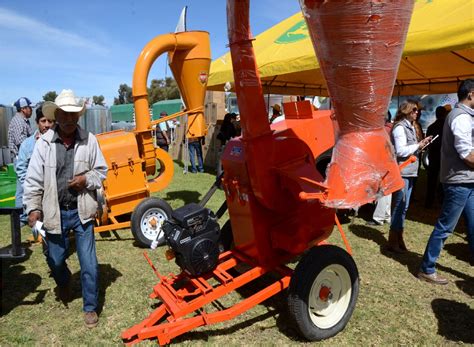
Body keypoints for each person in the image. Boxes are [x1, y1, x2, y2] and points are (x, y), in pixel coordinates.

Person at [23, 89, 108, 328]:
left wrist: (85, 181)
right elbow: (33, 180)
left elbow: (101, 172)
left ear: (78, 116)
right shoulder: (44, 144)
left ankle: (90, 307)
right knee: (56, 260)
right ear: (56, 115)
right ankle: (64, 282)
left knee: (89, 263)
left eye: (74, 115)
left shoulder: (89, 140)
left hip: (81, 211)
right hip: (54, 212)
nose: (70, 119)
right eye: (65, 114)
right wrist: (33, 208)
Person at [418, 79, 474, 285]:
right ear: (471, 94)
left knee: (473, 225)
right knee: (445, 227)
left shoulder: (466, 116)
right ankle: (427, 268)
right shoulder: (460, 117)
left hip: (467, 180)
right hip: (459, 181)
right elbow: (466, 154)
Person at [388, 100, 433, 253]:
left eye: (417, 111)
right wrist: (418, 146)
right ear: (406, 110)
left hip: (410, 171)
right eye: (414, 110)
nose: (417, 113)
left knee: (404, 207)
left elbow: (409, 148)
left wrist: (421, 144)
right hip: (403, 171)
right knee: (399, 206)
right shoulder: (400, 127)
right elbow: (400, 151)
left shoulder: (410, 126)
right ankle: (393, 240)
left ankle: (398, 238)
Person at [15, 104, 55, 226]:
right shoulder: (27, 145)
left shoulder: (57, 143)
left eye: (50, 121)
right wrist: (31, 187)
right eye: (43, 121)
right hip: (33, 189)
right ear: (37, 122)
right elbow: (21, 170)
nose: (47, 125)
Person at [367, 113, 394, 226]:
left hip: (383, 162)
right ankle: (387, 216)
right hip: (389, 161)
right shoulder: (391, 129)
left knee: (382, 190)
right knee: (388, 190)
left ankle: (378, 217)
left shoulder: (383, 131)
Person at [424, 105, 450, 208]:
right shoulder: (447, 126)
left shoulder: (431, 127)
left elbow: (428, 143)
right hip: (444, 156)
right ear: (444, 114)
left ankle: (429, 201)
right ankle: (442, 199)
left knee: (431, 180)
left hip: (433, 156)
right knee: (444, 179)